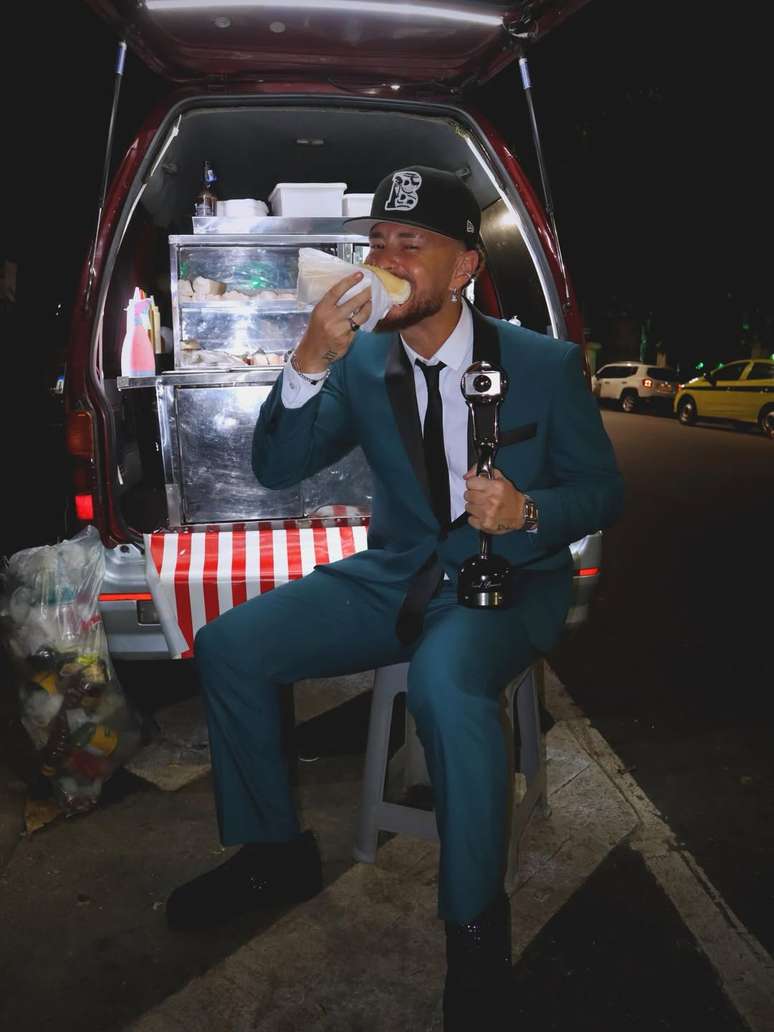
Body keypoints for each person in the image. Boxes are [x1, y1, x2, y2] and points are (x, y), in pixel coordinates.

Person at [166, 166, 624, 1029]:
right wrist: (306, 362)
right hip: (398, 572)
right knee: (232, 647)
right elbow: (275, 465)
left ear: (462, 271)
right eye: (379, 241)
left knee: (450, 690)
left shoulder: (543, 363)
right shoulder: (365, 357)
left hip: (507, 578)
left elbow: (603, 492)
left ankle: (476, 939)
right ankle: (274, 853)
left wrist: (531, 510)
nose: (388, 258)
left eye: (413, 244)